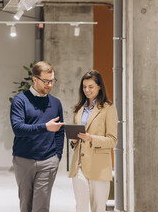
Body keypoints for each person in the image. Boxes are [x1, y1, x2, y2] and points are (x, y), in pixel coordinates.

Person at [10, 61, 65, 212]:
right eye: (46, 81)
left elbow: (60, 131)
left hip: (48, 160)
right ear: (35, 79)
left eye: (52, 80)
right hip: (23, 160)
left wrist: (57, 156)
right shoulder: (20, 101)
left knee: (41, 207)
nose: (50, 85)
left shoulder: (55, 103)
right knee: (25, 205)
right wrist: (45, 127)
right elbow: (18, 128)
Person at [69, 70, 118, 212]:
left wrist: (91, 138)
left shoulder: (108, 108)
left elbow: (112, 140)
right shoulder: (79, 109)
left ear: (99, 87)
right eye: (84, 87)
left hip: (99, 166)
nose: (87, 90)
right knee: (81, 207)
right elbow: (77, 140)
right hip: (79, 165)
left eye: (91, 86)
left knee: (98, 208)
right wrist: (73, 141)